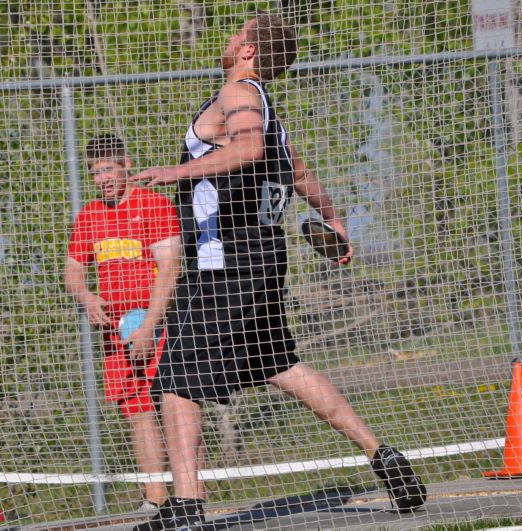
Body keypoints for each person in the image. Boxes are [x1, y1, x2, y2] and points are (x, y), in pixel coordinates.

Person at [131, 14, 427, 530]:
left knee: (176, 377)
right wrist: (332, 216)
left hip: (226, 262)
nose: (226, 39)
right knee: (280, 364)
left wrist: (175, 171)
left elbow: (247, 149)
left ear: (247, 50)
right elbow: (300, 172)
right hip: (264, 260)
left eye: (235, 33)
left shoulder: (239, 95)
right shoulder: (268, 108)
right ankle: (385, 457)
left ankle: (185, 506)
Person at [64, 134, 182, 511]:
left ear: (126, 165)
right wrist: (86, 296)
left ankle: (188, 496)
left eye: (108, 169)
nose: (102, 179)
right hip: (116, 335)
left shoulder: (154, 205)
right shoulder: (89, 216)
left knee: (177, 406)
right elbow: (73, 270)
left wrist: (149, 325)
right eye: (95, 173)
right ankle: (155, 499)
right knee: (137, 412)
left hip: (160, 326)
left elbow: (170, 269)